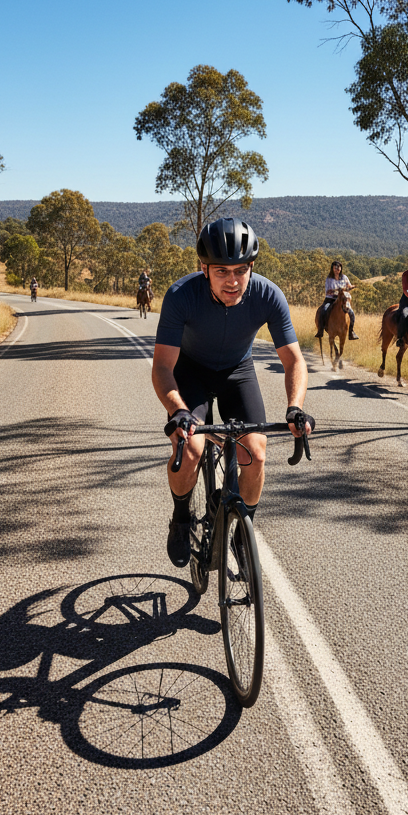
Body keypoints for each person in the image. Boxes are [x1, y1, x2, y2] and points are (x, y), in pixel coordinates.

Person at [152, 218, 314, 569]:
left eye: (241, 270)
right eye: (222, 271)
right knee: (191, 448)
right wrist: (178, 411)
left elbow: (294, 362)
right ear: (204, 269)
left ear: (251, 267)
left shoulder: (268, 295)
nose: (233, 280)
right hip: (190, 373)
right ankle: (181, 518)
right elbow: (163, 367)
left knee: (255, 453)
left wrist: (295, 408)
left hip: (236, 372)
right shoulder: (181, 296)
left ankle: (243, 528)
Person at [313, 260, 360, 340]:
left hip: (342, 300)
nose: (337, 269)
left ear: (341, 269)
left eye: (338, 268)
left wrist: (352, 286)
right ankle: (320, 330)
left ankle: (351, 332)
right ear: (332, 269)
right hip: (330, 299)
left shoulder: (344, 277)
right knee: (323, 310)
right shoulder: (329, 279)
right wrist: (339, 290)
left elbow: (348, 285)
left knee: (351, 313)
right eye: (335, 268)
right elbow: (328, 290)